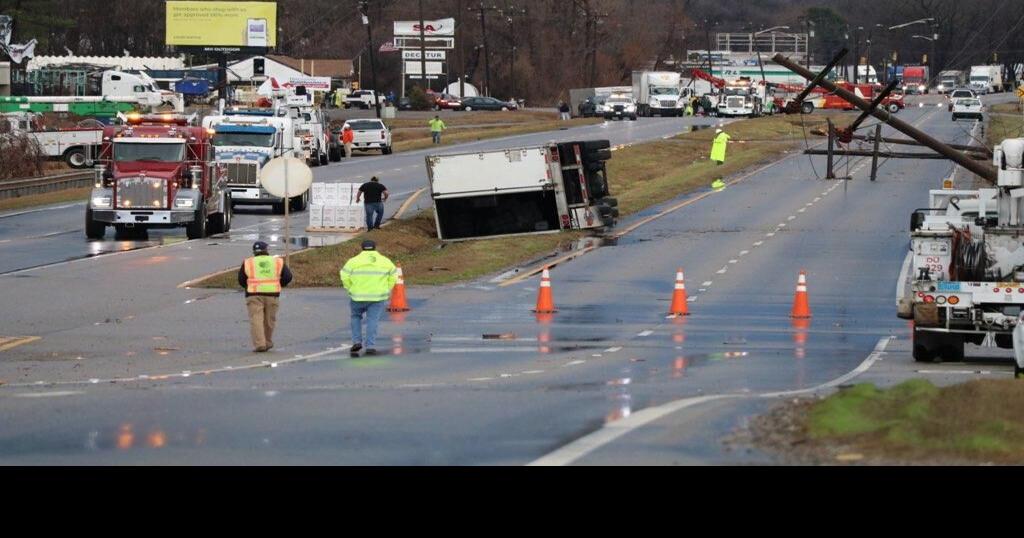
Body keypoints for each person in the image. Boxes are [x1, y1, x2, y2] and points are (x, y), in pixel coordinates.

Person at [341, 240, 398, 358]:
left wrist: (350, 288)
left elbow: (344, 275)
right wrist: (387, 288)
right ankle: (370, 346)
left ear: (362, 248)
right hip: (377, 297)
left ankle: (357, 342)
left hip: (357, 296)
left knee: (356, 317)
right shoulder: (385, 261)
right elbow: (394, 275)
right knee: (373, 320)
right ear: (375, 248)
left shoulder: (353, 261)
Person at [238, 241, 293, 353]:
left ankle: (260, 344)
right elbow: (288, 276)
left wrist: (249, 286)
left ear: (254, 252)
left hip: (253, 294)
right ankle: (267, 342)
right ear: (267, 250)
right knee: (269, 320)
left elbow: (241, 280)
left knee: (256, 319)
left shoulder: (248, 262)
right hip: (272, 294)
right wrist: (278, 284)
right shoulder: (277, 261)